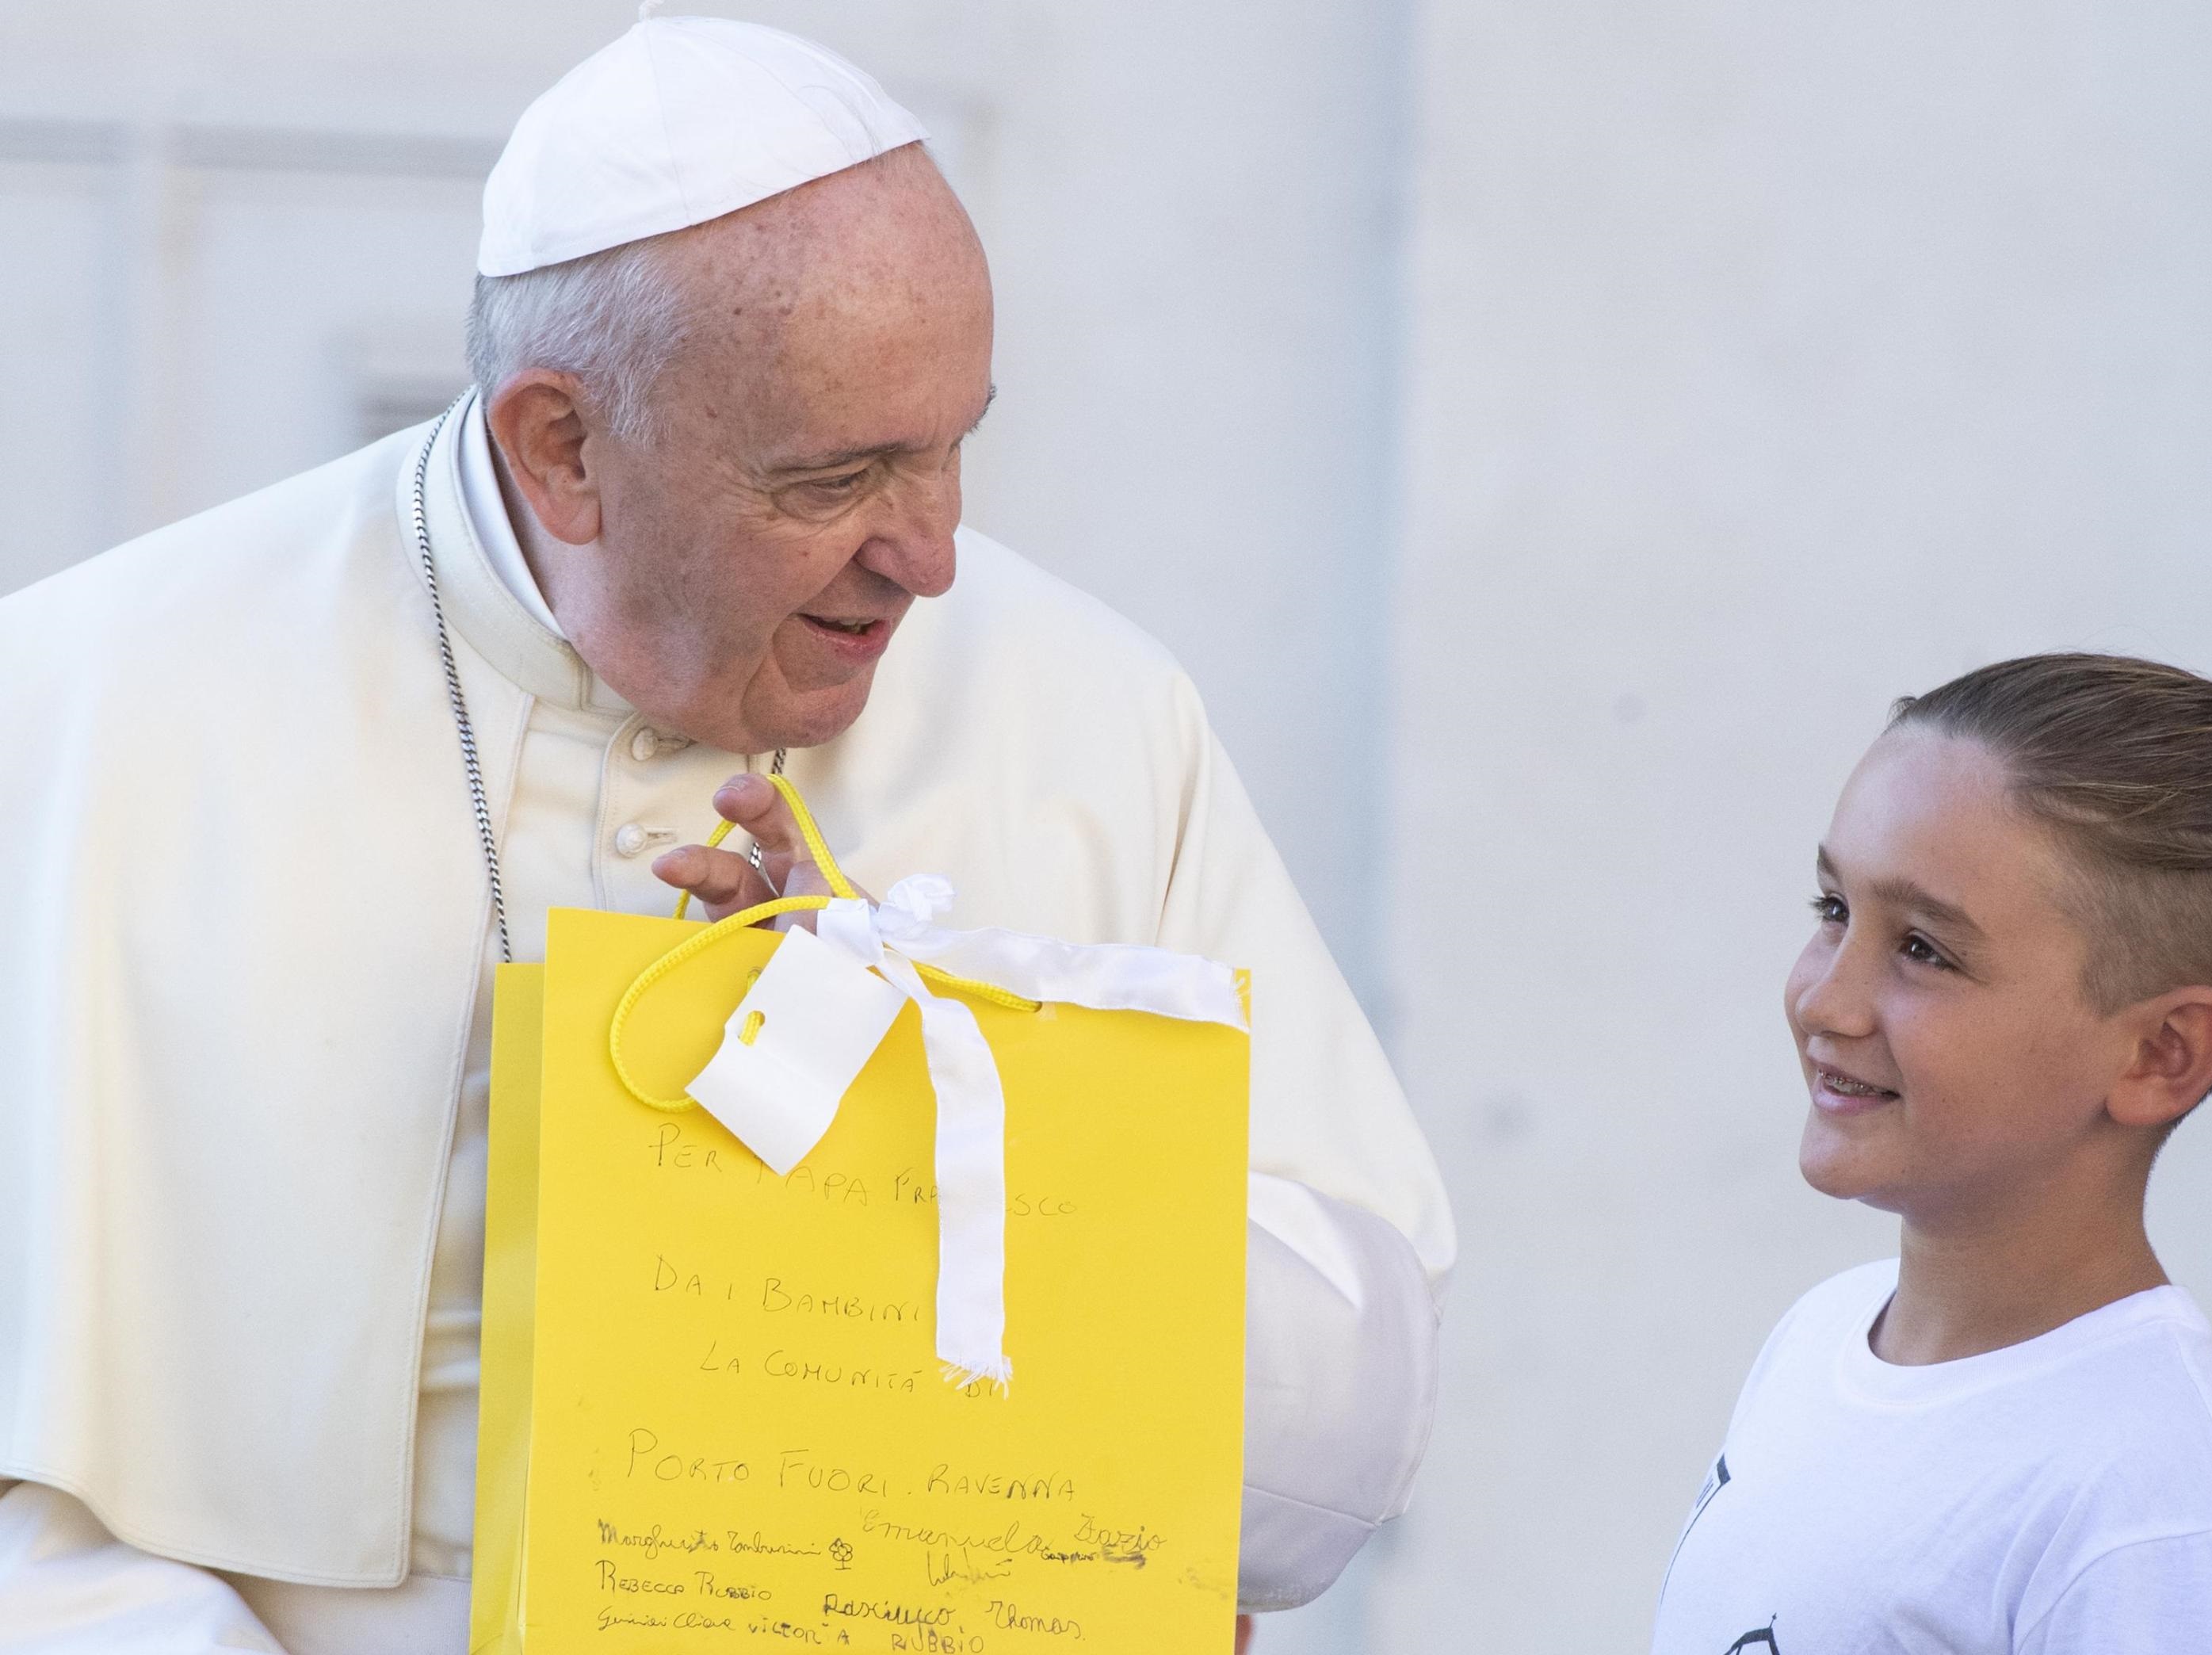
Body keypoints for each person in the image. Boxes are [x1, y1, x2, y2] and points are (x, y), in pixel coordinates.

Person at [0, 17, 1450, 1653]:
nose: (937, 557)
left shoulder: (1091, 716)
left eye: (957, 442)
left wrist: (948, 1112)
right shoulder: (80, 714)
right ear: (563, 450)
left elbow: (1348, 1434)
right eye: (837, 478)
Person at [1653, 652, 2212, 1653]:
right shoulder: (1820, 1337)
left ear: (2160, 1053)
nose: (1825, 1002)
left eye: (1924, 949)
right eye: (1833, 910)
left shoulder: (2153, 1526)